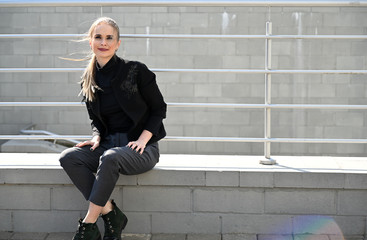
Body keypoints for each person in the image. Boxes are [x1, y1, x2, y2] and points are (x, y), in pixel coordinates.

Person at [59, 17, 166, 240]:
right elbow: (96, 121)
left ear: (118, 44)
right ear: (91, 42)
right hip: (109, 146)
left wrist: (143, 140)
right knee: (69, 157)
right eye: (98, 37)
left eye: (109, 38)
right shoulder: (89, 79)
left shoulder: (136, 71)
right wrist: (96, 137)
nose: (103, 42)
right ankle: (111, 214)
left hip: (142, 149)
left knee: (110, 158)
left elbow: (159, 109)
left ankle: (88, 224)